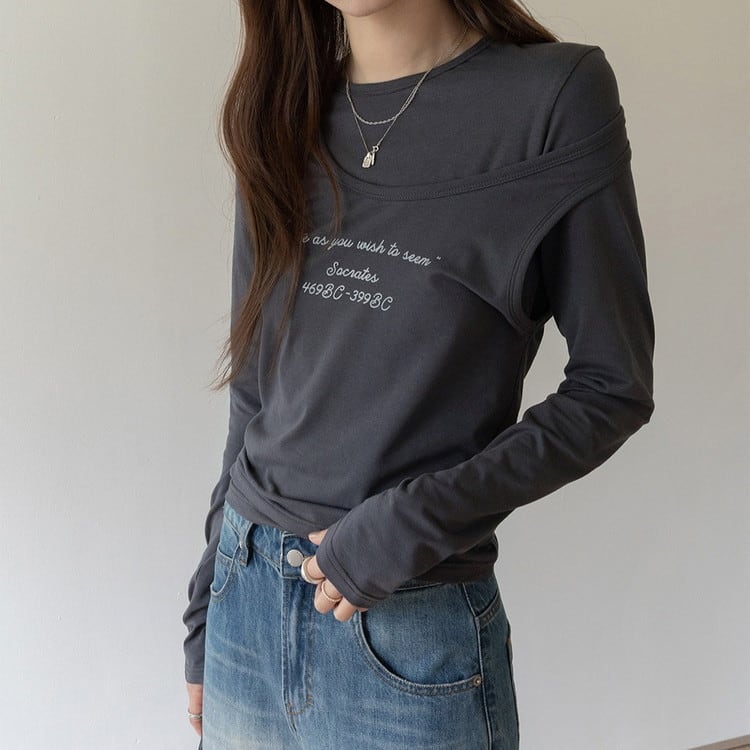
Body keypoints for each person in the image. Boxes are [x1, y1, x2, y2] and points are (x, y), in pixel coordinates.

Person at [181, 1, 656, 748]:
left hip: (408, 621)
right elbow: (256, 386)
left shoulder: (553, 97)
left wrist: (408, 525)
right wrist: (208, 605)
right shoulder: (281, 110)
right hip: (246, 602)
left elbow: (612, 386)